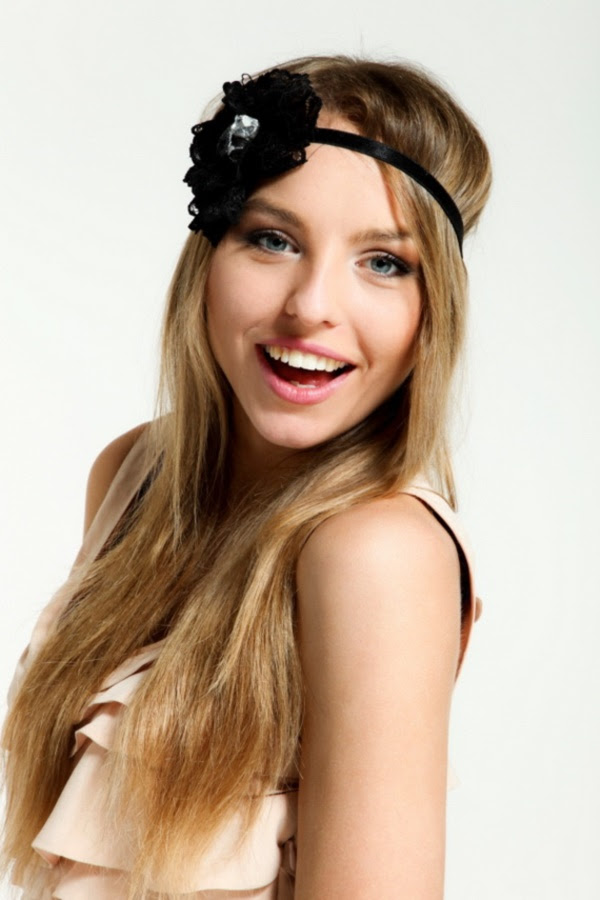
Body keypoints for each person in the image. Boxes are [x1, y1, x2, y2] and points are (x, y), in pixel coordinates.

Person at [2, 55, 491, 899]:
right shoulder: (132, 475)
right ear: (208, 255)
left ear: (432, 310)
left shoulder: (376, 552)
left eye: (384, 262)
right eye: (273, 240)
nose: (311, 307)